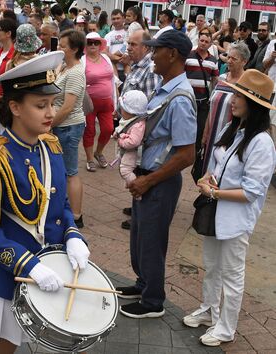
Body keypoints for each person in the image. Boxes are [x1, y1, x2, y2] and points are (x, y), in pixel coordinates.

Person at [0, 50, 90, 354]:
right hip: (11, 273)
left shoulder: (51, 147)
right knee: (0, 351)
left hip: (54, 269)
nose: (50, 112)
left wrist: (73, 235)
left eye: (51, 104)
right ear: (15, 107)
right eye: (40, 105)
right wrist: (27, 264)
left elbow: (58, 206)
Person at [183, 69, 276, 347]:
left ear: (255, 104)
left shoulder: (262, 143)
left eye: (239, 95)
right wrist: (206, 178)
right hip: (215, 211)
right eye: (235, 92)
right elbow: (214, 166)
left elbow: (251, 192)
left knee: (232, 275)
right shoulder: (232, 128)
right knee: (212, 266)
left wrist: (215, 191)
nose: (232, 99)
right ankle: (209, 310)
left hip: (234, 219)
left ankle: (226, 327)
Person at [117, 30, 196, 318]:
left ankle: (153, 301)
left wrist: (149, 180)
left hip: (159, 180)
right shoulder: (164, 89)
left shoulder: (180, 98)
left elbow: (187, 154)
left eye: (157, 50)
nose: (153, 55)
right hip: (148, 176)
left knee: (151, 239)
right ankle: (143, 284)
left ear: (172, 54)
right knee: (139, 236)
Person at [119, 29, 161, 230]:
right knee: (132, 169)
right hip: (131, 127)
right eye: (128, 43)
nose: (128, 47)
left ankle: (139, 211)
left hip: (138, 133)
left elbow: (150, 106)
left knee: (135, 171)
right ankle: (135, 205)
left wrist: (135, 132)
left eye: (133, 44)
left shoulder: (150, 70)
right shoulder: (136, 66)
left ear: (146, 47)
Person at [52, 29, 86, 229]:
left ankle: (76, 215)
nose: (59, 49)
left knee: (71, 171)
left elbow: (67, 107)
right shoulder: (65, 67)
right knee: (64, 170)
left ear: (74, 49)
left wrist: (49, 125)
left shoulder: (75, 73)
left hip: (68, 127)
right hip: (62, 126)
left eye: (63, 46)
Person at [203, 42, 249, 176]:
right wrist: (205, 133)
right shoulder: (222, 78)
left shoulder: (245, 83)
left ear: (244, 61)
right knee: (207, 172)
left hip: (230, 136)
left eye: (234, 59)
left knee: (221, 172)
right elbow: (211, 106)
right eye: (228, 57)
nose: (229, 61)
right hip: (212, 134)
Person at [185, 31, 219, 180]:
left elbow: (215, 79)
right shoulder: (189, 55)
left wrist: (213, 96)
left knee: (199, 129)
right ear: (198, 40)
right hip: (188, 100)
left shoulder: (213, 60)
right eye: (201, 40)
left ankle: (194, 155)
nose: (203, 43)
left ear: (210, 44)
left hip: (203, 101)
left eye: (206, 41)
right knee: (185, 125)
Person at [81, 32, 117, 172]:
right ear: (86, 45)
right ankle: (90, 158)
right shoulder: (83, 60)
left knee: (108, 129)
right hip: (89, 103)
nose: (93, 45)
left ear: (100, 44)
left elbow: (113, 79)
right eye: (90, 42)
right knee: (89, 130)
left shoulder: (106, 58)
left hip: (106, 101)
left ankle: (99, 152)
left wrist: (115, 98)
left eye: (96, 42)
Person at [113, 90, 148, 188]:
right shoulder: (130, 119)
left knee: (125, 170)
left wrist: (120, 140)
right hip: (127, 151)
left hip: (132, 151)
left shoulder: (138, 125)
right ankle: (131, 182)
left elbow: (133, 142)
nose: (121, 110)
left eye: (123, 108)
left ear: (130, 111)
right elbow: (122, 128)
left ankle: (136, 186)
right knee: (122, 166)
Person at [104, 9, 127, 84]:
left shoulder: (129, 32)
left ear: (123, 18)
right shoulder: (108, 35)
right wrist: (117, 58)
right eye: (114, 19)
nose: (116, 21)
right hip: (113, 70)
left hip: (127, 69)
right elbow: (105, 52)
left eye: (118, 18)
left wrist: (112, 57)